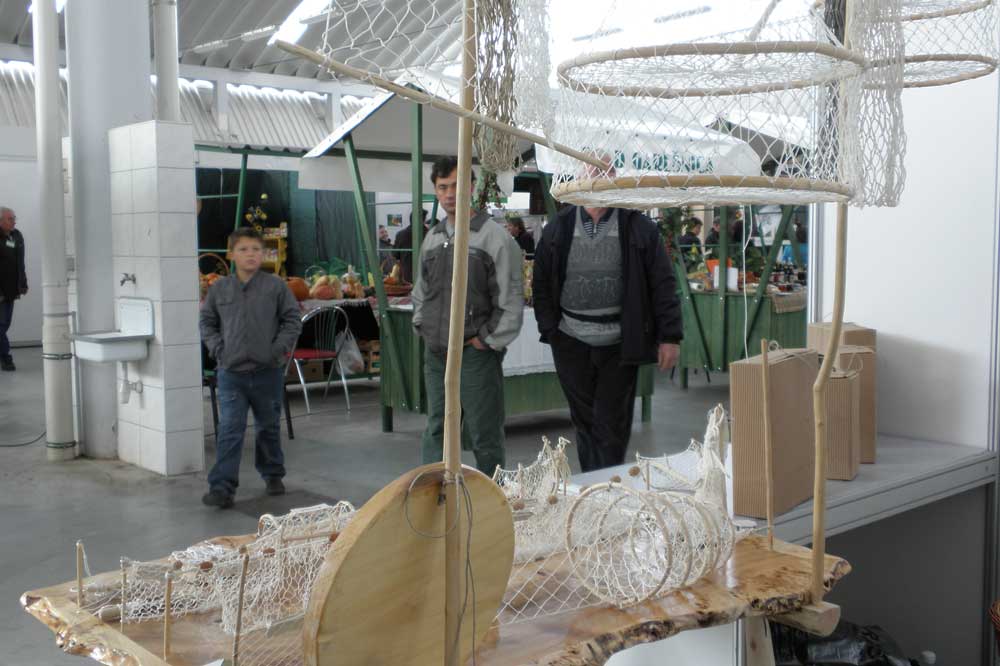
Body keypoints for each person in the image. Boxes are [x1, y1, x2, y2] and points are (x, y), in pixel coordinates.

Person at [532, 201, 683, 472]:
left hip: (619, 344)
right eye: (589, 178)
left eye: (602, 178)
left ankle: (608, 484)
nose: (595, 182)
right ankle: (594, 483)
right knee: (584, 422)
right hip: (570, 341)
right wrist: (550, 329)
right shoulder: (559, 227)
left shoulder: (638, 227)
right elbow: (541, 281)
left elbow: (662, 282)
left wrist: (670, 336)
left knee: (611, 424)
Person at [412, 156, 523, 475]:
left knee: (484, 432)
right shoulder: (433, 238)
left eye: (456, 185)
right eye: (442, 187)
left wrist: (486, 341)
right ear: (435, 191)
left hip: (475, 354)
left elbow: (510, 297)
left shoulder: (494, 238)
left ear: (471, 187)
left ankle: (492, 494)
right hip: (437, 354)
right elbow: (421, 290)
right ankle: (435, 495)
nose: (450, 193)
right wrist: (422, 324)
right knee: (437, 428)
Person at [200, 227, 302, 508]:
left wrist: (276, 350)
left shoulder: (276, 287)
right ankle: (221, 488)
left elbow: (292, 320)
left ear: (264, 254)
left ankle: (273, 474)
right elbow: (207, 322)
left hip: (267, 372)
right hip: (231, 373)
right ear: (231, 254)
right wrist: (218, 349)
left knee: (268, 426)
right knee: (230, 429)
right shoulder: (220, 289)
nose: (250, 255)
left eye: (256, 249)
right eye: (243, 249)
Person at [0, 206, 27, 372]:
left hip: (11, 290)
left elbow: (20, 262)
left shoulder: (17, 236)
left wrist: (23, 283)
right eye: (10, 219)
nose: (14, 221)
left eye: (14, 218)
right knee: (1, 325)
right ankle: (6, 358)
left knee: (5, 325)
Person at [393, 209, 429, 283]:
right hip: (425, 275)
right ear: (423, 220)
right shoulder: (429, 234)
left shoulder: (400, 234)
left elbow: (395, 255)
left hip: (406, 275)